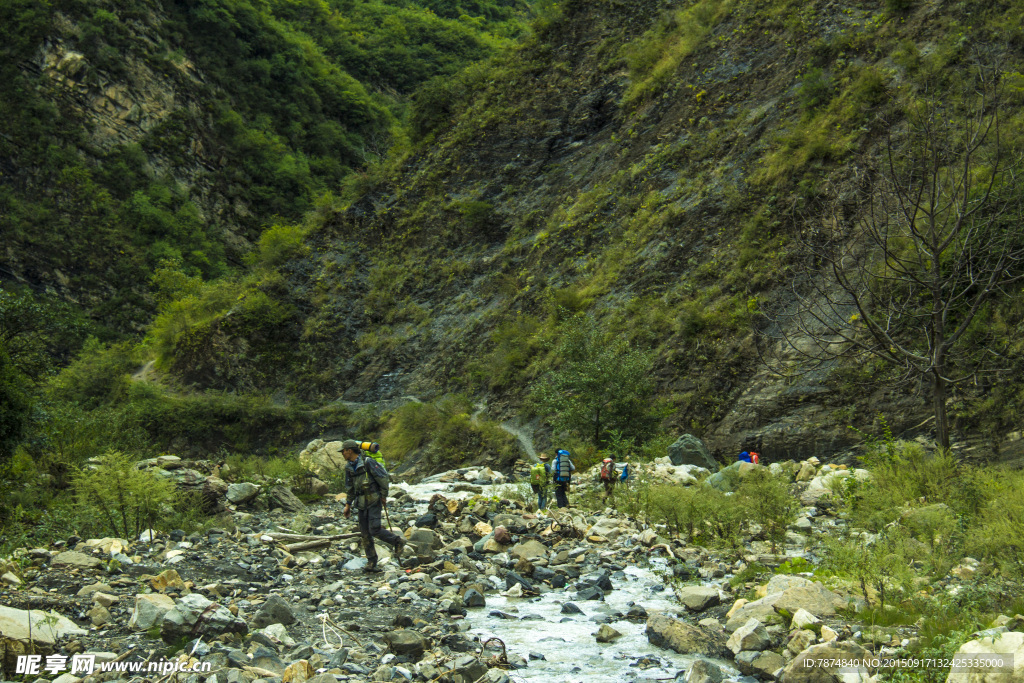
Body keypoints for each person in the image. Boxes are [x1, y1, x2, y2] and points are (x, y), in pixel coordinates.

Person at [341, 439, 405, 572]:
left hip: (374, 500)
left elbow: (382, 478)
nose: (342, 453)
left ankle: (397, 541)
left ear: (349, 451)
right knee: (364, 533)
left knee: (374, 529)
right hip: (360, 502)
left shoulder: (368, 462)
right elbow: (350, 487)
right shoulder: (348, 467)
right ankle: (371, 562)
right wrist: (348, 504)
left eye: (343, 451)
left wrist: (383, 495)